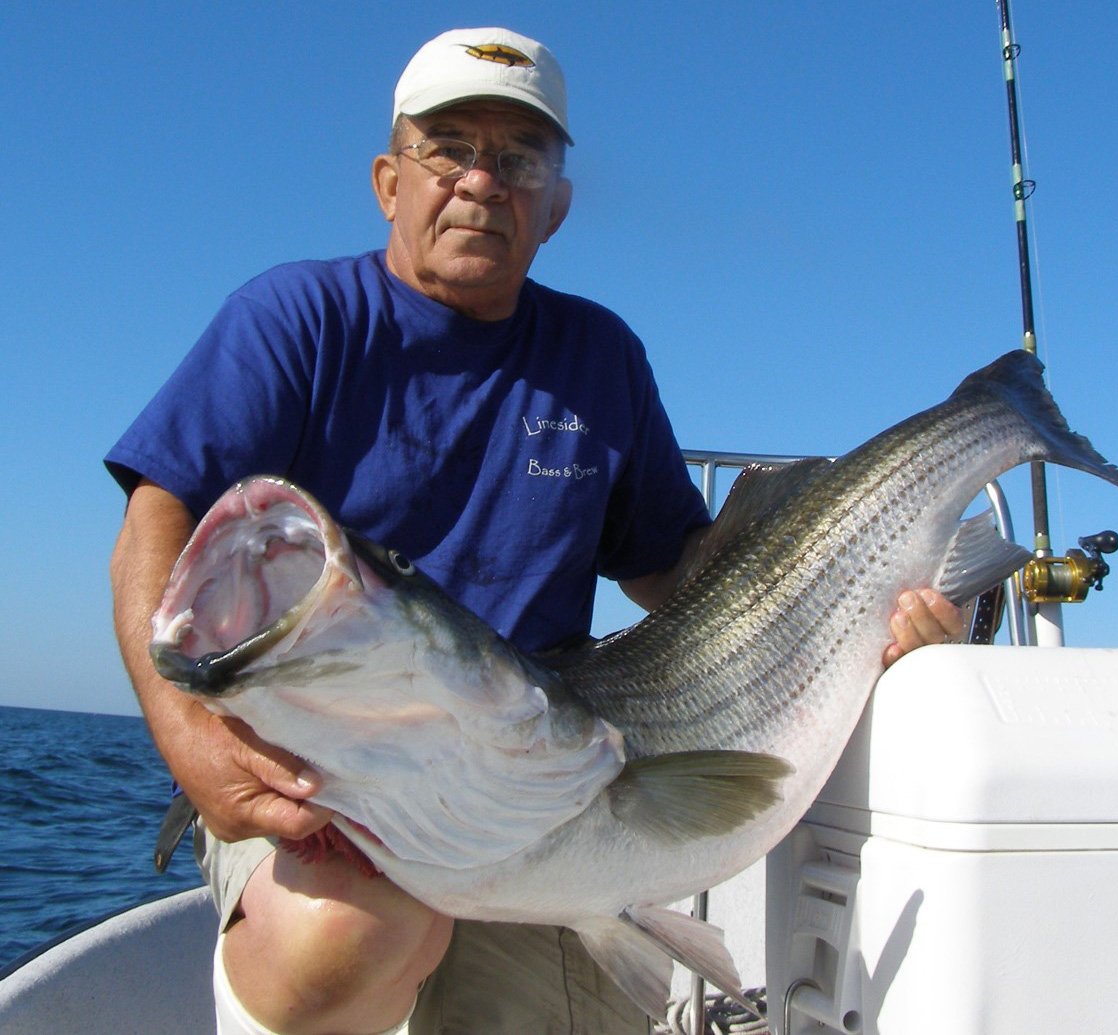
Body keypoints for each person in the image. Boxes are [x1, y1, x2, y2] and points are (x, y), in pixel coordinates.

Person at [106, 27, 964, 1035]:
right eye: (448, 146)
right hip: (332, 769)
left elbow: (678, 574)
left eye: (518, 159)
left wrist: (864, 606)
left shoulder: (598, 354)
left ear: (556, 206)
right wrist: (189, 737)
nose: (480, 180)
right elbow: (154, 522)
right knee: (353, 938)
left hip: (552, 776)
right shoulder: (295, 318)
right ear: (389, 181)